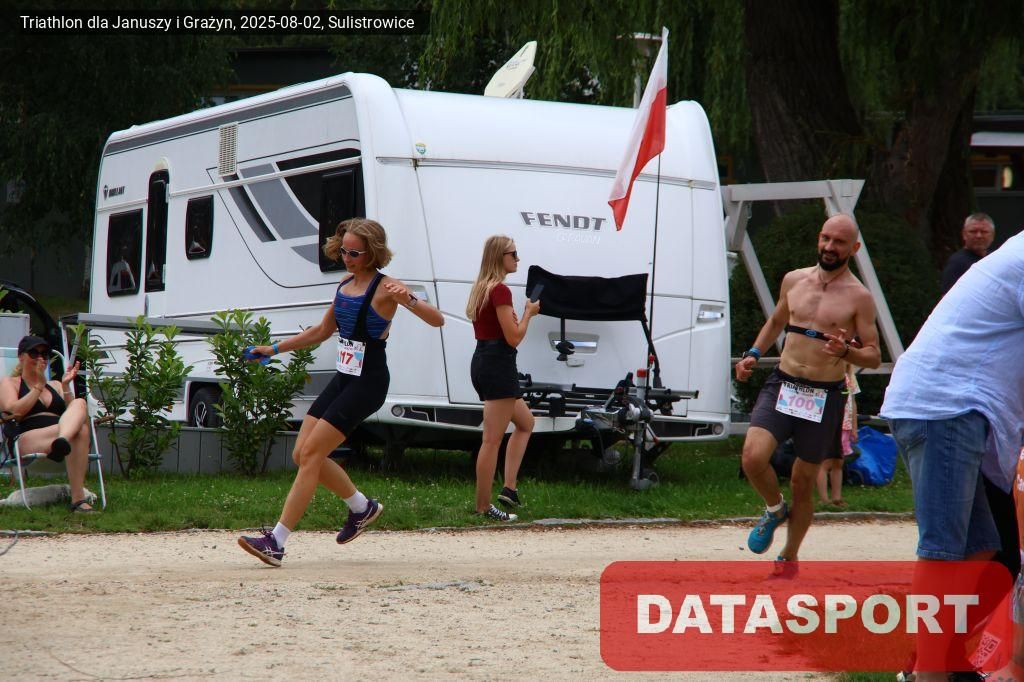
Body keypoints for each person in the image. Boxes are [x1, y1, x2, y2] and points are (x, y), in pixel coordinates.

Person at [237, 218, 444, 567]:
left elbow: (437, 320)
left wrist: (408, 299)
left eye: (354, 253)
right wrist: (272, 349)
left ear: (372, 253)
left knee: (312, 454)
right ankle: (361, 507)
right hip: (345, 378)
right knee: (302, 454)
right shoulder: (345, 284)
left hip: (368, 382)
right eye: (344, 250)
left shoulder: (387, 288)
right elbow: (321, 331)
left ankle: (277, 541)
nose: (346, 258)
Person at [881, 229, 1024, 681]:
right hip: (946, 405)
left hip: (956, 408)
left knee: (992, 553)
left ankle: (941, 660)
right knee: (945, 549)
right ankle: (929, 673)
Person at [734, 214, 880, 574]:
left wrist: (846, 352)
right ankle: (774, 509)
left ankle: (789, 557)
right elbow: (776, 321)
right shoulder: (794, 279)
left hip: (824, 395)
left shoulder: (860, 297)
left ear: (854, 248)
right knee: (752, 457)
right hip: (783, 384)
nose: (830, 247)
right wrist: (753, 353)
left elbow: (874, 356)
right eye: (825, 238)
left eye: (839, 242)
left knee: (802, 482)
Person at [466, 235, 539, 522]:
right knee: (491, 441)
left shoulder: (481, 288)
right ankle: (483, 507)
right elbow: (514, 337)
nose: (518, 258)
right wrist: (529, 313)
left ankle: (509, 488)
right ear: (500, 257)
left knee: (526, 423)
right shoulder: (500, 290)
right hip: (498, 364)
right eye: (513, 254)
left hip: (484, 360)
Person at [0, 335, 95, 512]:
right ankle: (78, 500)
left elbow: (76, 415)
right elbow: (13, 413)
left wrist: (66, 387)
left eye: (44, 354)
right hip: (27, 438)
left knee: (80, 405)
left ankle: (62, 441)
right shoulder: (10, 383)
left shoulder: (56, 385)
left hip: (59, 437)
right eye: (34, 353)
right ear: (21, 357)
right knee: (79, 430)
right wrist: (38, 386)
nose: (40, 358)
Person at [816, 362, 859, 507]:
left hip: (844, 425)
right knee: (824, 462)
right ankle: (824, 498)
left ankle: (836, 498)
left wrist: (854, 427)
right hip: (828, 424)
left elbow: (852, 403)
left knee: (838, 461)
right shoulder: (826, 376)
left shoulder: (850, 378)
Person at [940, 212, 995, 295]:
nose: (979, 236)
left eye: (984, 232)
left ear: (992, 236)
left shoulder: (994, 259)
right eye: (973, 231)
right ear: (964, 234)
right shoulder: (957, 263)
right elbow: (947, 297)